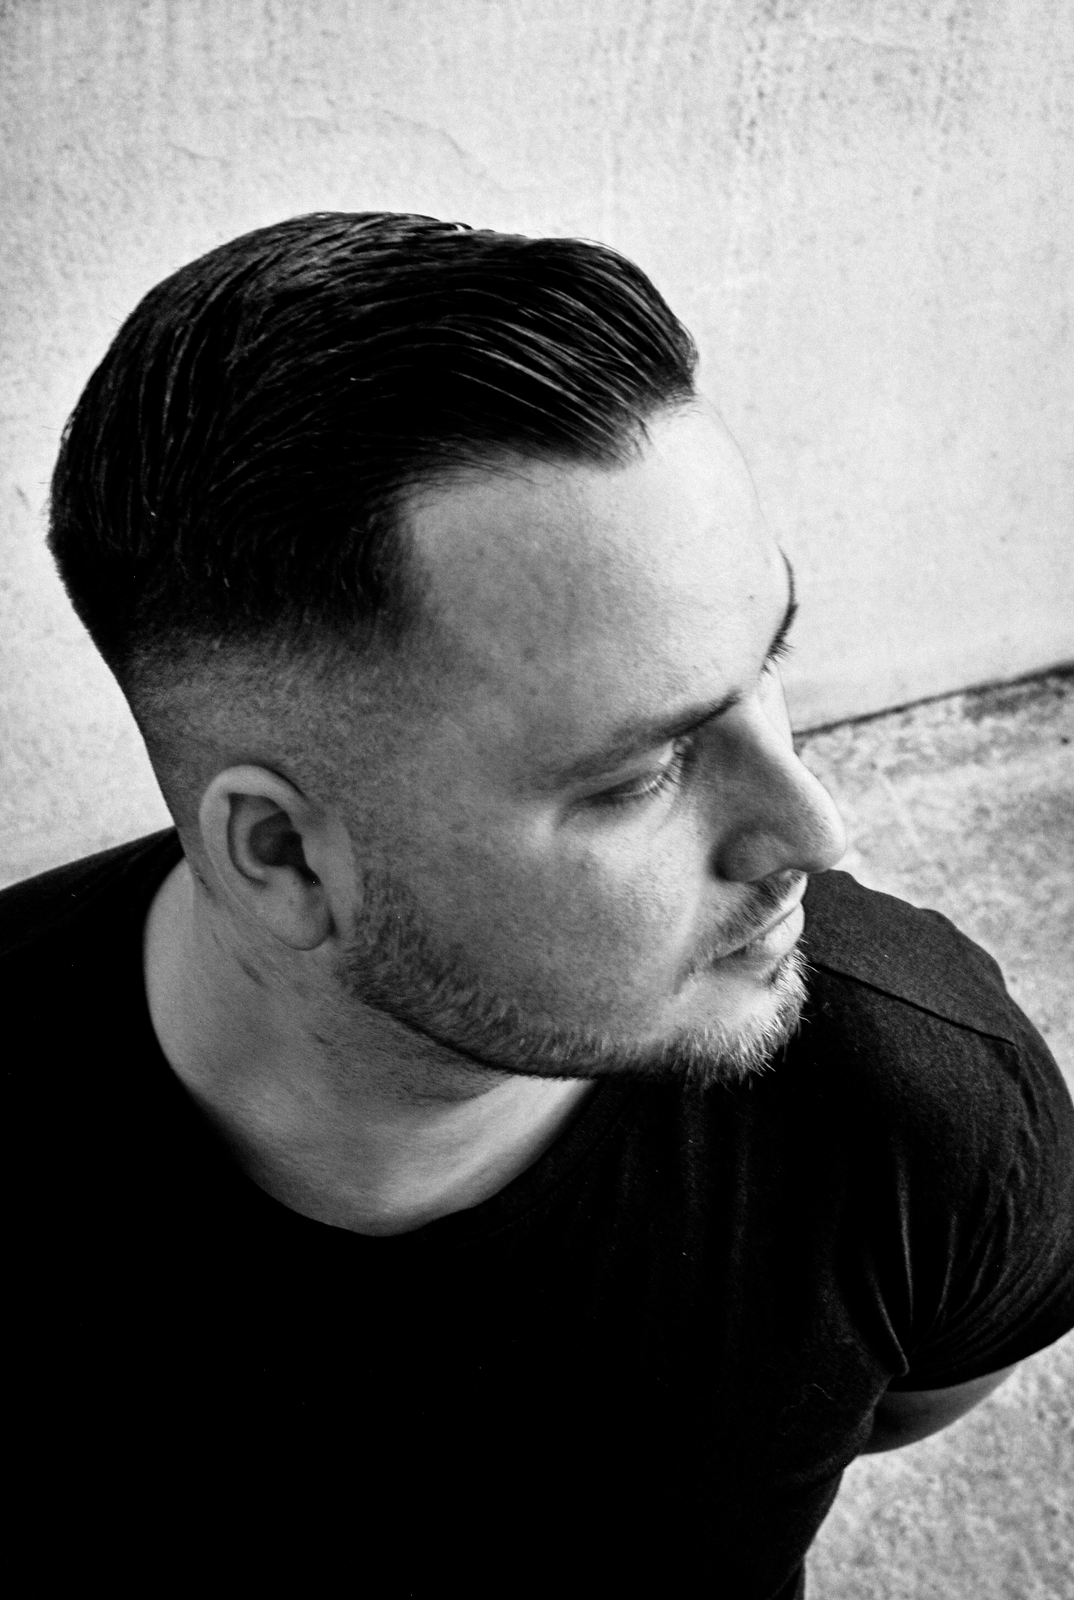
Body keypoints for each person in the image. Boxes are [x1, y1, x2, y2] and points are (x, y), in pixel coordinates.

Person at [5, 213, 1073, 1598]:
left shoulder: (919, 1104)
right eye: (639, 776)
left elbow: (913, 1398)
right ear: (284, 859)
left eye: (768, 662)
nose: (815, 829)